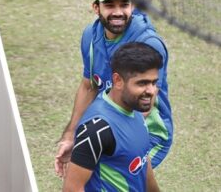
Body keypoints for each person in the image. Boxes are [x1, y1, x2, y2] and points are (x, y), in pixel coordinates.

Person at [55, 0, 172, 175]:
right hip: (108, 124)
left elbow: (142, 105)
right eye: (109, 5)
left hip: (148, 131)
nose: (118, 12)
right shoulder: (90, 36)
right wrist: (71, 135)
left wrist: (95, 143)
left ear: (132, 6)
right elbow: (88, 87)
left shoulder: (148, 44)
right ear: (96, 7)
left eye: (123, 4)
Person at [62, 42, 161, 192]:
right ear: (118, 81)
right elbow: (72, 189)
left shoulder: (134, 108)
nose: (151, 91)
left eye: (154, 83)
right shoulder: (97, 128)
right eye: (142, 83)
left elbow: (143, 163)